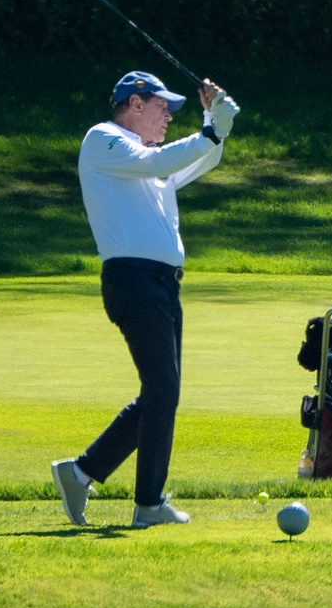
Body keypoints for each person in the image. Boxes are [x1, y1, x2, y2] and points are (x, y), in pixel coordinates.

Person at [49, 70, 241, 527]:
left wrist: (216, 124)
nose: (169, 117)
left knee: (161, 393)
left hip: (162, 283)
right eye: (162, 107)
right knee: (162, 390)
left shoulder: (149, 157)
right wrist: (211, 129)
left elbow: (199, 159)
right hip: (132, 279)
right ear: (134, 104)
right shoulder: (104, 140)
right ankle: (148, 504)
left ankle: (81, 473)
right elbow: (159, 162)